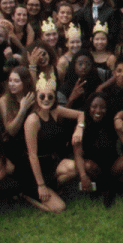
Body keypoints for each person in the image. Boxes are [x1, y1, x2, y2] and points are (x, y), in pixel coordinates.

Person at [20, 73, 84, 213]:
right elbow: (32, 155)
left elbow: (81, 114)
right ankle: (27, 195)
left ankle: (54, 188)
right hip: (34, 169)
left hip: (52, 162)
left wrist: (79, 129)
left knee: (75, 168)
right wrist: (41, 185)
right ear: (37, 97)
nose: (46, 99)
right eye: (42, 96)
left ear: (55, 97)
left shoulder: (55, 110)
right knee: (60, 208)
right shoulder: (32, 120)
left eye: (50, 96)